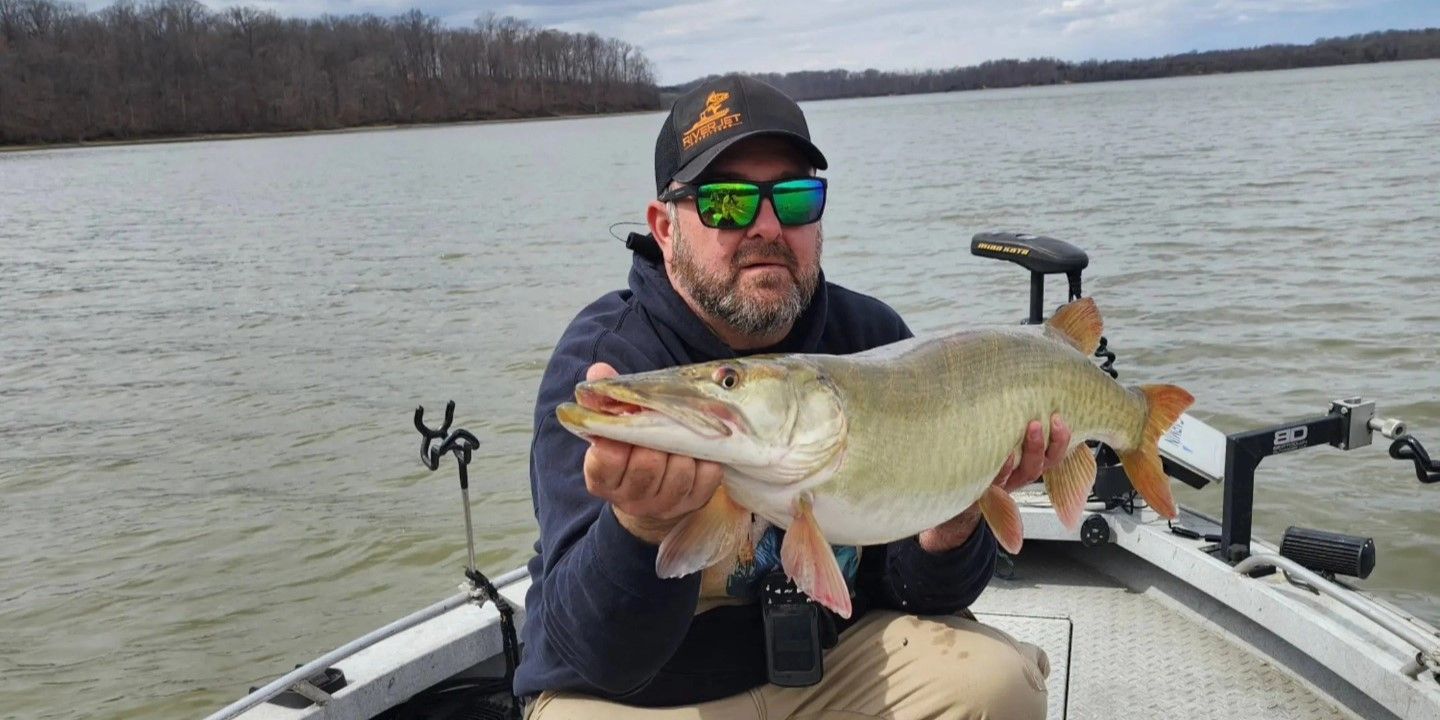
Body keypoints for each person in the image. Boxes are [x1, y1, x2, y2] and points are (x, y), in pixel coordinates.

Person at [515, 75, 1062, 719]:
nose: (767, 226)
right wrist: (639, 527)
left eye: (796, 198)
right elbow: (596, 653)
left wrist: (954, 514)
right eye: (725, 204)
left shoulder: (872, 340)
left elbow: (919, 594)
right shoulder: (608, 363)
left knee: (999, 687)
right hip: (639, 699)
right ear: (664, 228)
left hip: (826, 673)